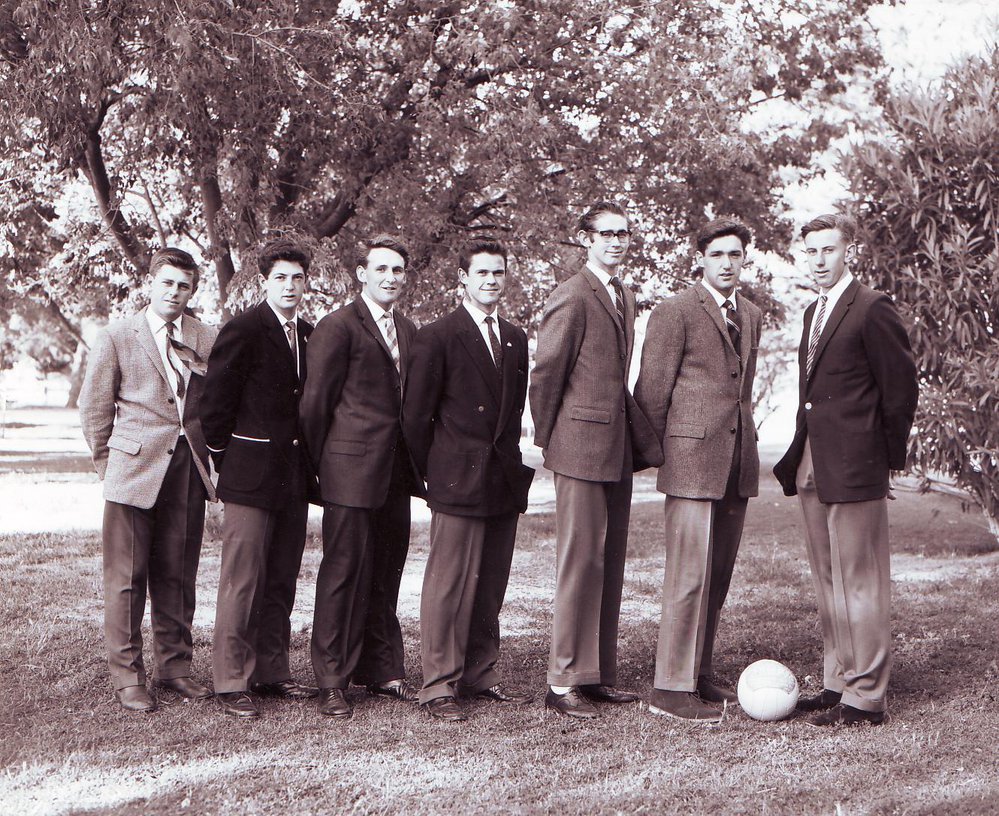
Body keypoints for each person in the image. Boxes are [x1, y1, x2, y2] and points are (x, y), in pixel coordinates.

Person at [773, 213, 918, 726]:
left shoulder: (873, 307)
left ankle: (867, 697)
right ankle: (839, 682)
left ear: (847, 251)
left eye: (828, 250)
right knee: (828, 578)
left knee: (860, 582)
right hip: (813, 460)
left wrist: (882, 460)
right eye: (810, 251)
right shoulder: (814, 311)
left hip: (856, 464)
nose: (818, 260)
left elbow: (900, 391)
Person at [529, 200, 663, 719]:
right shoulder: (571, 295)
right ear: (585, 238)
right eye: (605, 233)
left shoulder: (624, 294)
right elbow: (546, 375)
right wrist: (551, 440)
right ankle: (561, 682)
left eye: (623, 233)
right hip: (579, 449)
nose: (615, 241)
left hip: (615, 449)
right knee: (577, 563)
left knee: (606, 563)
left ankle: (596, 675)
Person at [634, 217, 763, 722]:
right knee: (687, 576)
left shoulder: (750, 313)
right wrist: (662, 456)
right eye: (718, 256)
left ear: (744, 259)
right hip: (690, 462)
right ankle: (670, 686)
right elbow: (651, 391)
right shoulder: (675, 311)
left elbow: (741, 390)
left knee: (718, 574)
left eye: (735, 255)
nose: (727, 264)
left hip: (736, 462)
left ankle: (699, 672)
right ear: (701, 260)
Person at [79, 247, 218, 712]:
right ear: (149, 283)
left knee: (178, 575)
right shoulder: (119, 335)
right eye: (167, 283)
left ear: (192, 290)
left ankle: (175, 667)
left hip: (187, 469)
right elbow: (94, 409)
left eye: (184, 285)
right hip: (132, 471)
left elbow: (212, 405)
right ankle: (127, 676)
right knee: (127, 578)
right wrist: (110, 466)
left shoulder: (205, 336)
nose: (175, 292)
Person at [403, 237, 535, 723]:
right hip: (455, 478)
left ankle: (480, 674)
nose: (491, 281)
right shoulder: (437, 336)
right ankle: (438, 684)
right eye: (481, 272)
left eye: (498, 272)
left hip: (501, 476)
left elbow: (513, 411)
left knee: (490, 583)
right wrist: (435, 474)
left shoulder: (516, 337)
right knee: (449, 583)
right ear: (463, 278)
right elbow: (415, 420)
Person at [299, 234, 424, 719]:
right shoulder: (337, 326)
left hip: (395, 473)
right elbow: (314, 407)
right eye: (382, 269)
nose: (391, 277)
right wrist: (324, 468)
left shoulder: (410, 329)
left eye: (398, 270)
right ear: (362, 273)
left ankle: (383, 669)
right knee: (342, 573)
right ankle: (332, 680)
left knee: (387, 571)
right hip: (348, 471)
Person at [200, 238, 320, 719]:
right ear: (263, 282)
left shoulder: (309, 334)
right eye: (280, 278)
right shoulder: (244, 329)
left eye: (297, 278)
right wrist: (226, 460)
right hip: (249, 475)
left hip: (293, 478)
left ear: (306, 282)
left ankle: (272, 671)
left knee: (282, 578)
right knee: (242, 579)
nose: (289, 286)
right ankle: (231, 680)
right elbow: (215, 406)